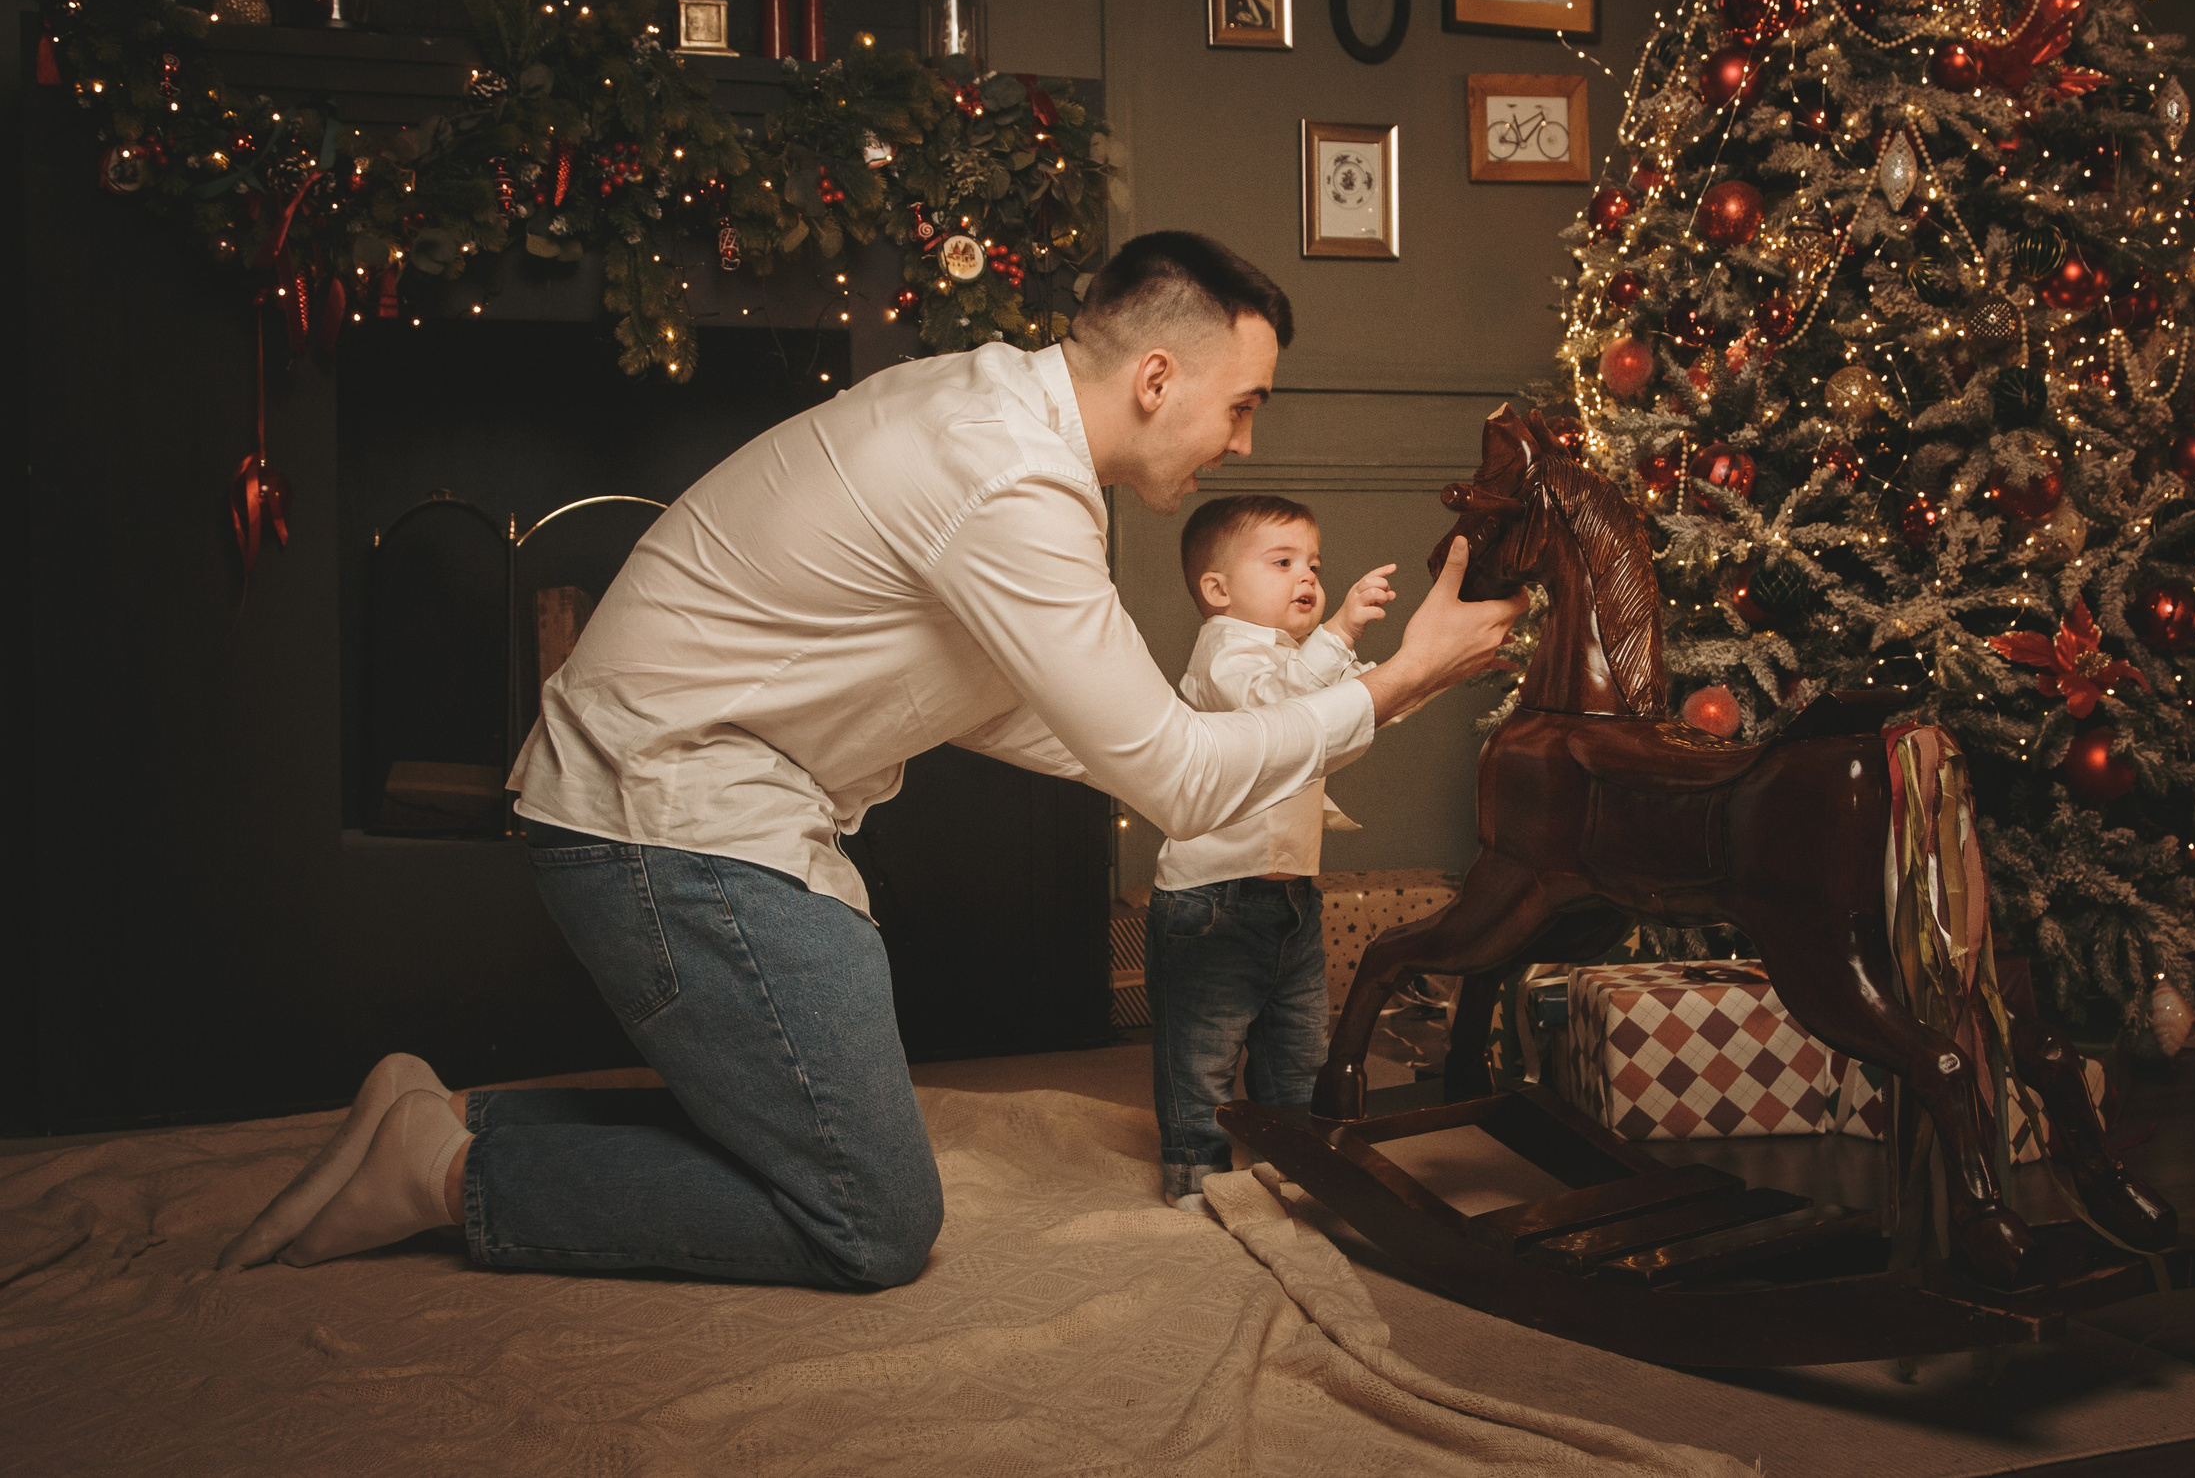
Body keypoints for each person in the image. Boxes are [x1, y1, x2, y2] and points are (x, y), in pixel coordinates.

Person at [218, 230, 1526, 1290]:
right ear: (1157, 380)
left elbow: (1030, 716)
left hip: (707, 807)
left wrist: (1238, 727)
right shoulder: (1011, 484)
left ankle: (442, 1127)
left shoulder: (989, 414)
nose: (1244, 443)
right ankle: (450, 1172)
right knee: (871, 1220)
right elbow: (1172, 772)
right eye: (1242, 406)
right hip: (670, 823)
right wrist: (1399, 675)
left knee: (833, 1160)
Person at [1147, 495, 1392, 1212]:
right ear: (1218, 590)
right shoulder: (1227, 649)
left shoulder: (1295, 655)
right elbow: (1276, 701)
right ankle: (1198, 1181)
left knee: (1298, 1053)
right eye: (1282, 562)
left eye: (1313, 563)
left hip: (1289, 899)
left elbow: (1360, 711)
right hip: (1212, 900)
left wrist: (1431, 671)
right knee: (1201, 1056)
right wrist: (1342, 629)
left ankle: (1294, 1165)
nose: (1306, 577)